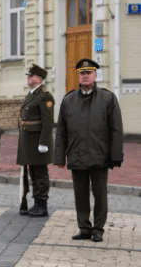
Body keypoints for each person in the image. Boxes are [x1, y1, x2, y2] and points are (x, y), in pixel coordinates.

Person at [54, 58, 123, 243]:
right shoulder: (68, 100)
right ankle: (84, 228)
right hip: (76, 155)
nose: (85, 76)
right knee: (80, 196)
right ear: (79, 75)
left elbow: (116, 129)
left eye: (89, 72)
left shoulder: (107, 99)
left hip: (99, 155)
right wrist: (59, 156)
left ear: (95, 75)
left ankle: (98, 229)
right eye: (82, 73)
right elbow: (61, 131)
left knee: (100, 195)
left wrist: (116, 156)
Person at [16, 64, 55, 217]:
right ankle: (35, 202)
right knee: (33, 173)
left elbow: (48, 121)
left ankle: (42, 204)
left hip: (38, 142)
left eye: (31, 76)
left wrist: (44, 142)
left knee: (40, 174)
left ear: (38, 79)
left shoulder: (45, 96)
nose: (28, 78)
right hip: (29, 142)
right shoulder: (31, 95)